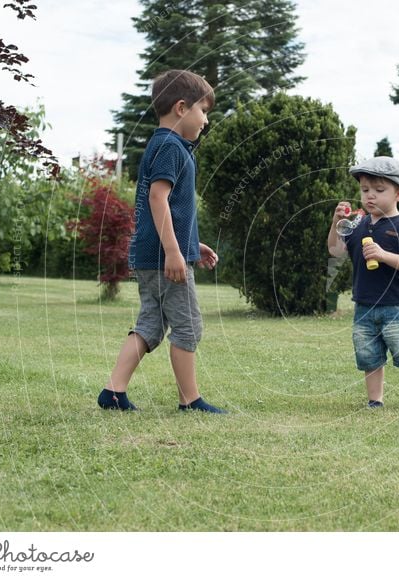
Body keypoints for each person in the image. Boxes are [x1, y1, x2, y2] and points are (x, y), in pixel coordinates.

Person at [98, 69, 226, 413]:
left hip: (152, 255)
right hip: (163, 257)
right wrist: (173, 251)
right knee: (188, 325)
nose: (206, 121)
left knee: (151, 324)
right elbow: (158, 199)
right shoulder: (170, 146)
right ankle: (190, 400)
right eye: (204, 111)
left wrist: (189, 245)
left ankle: (113, 392)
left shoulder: (165, 145)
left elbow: (173, 212)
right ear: (182, 108)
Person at [327, 156, 399, 412]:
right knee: (369, 356)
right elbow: (335, 250)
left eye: (379, 190)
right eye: (365, 190)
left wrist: (383, 255)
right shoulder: (358, 224)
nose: (370, 196)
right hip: (364, 306)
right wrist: (336, 223)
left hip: (396, 306)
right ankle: (375, 401)